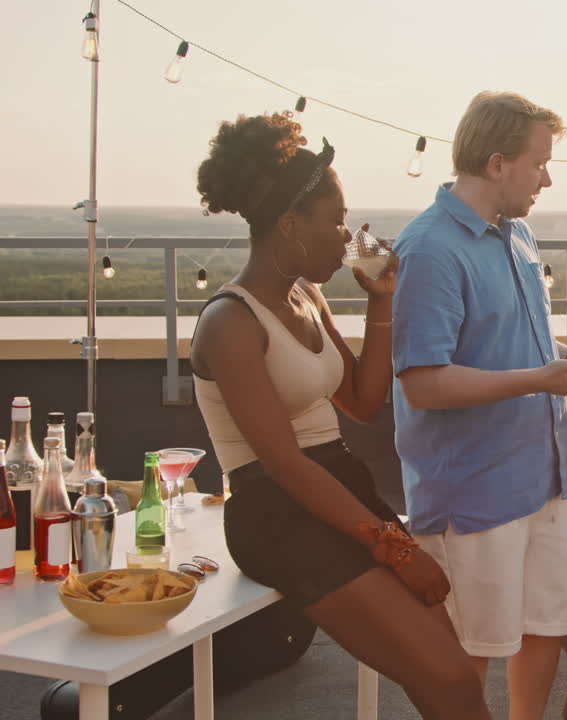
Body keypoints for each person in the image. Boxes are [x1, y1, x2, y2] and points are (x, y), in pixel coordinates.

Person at [189, 112, 488, 719]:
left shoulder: (308, 295)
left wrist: (382, 300)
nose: (348, 236)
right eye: (336, 220)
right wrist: (397, 550)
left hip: (340, 489)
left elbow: (363, 400)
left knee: (448, 675)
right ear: (289, 224)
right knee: (450, 678)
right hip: (278, 510)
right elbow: (282, 463)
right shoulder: (230, 323)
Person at [392, 91, 567, 720]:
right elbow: (423, 384)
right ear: (497, 164)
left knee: (545, 627)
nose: (547, 177)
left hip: (541, 476)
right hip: (473, 490)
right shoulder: (430, 248)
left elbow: (523, 341)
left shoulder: (517, 233)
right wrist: (542, 379)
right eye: (539, 163)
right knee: (470, 650)